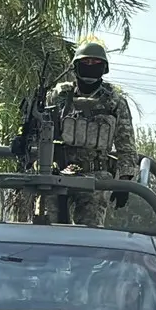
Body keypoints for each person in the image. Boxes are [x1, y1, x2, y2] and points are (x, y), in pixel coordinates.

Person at [42, 39, 137, 226]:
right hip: (57, 173)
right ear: (76, 66)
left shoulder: (114, 102)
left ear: (104, 68)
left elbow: (126, 145)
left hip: (96, 178)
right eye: (85, 63)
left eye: (96, 63)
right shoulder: (58, 96)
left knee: (89, 233)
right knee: (48, 230)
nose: (90, 67)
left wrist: (125, 182)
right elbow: (40, 129)